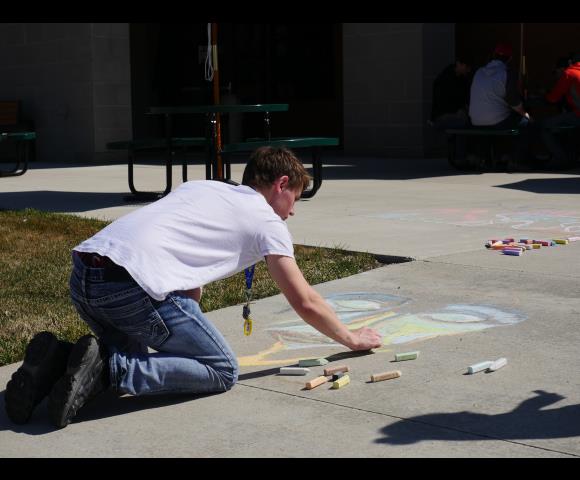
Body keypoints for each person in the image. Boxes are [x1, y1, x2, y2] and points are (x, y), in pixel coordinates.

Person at [5, 146, 383, 428]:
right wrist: (351, 339)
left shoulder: (205, 188)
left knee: (130, 356)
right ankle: (110, 368)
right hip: (131, 287)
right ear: (281, 184)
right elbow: (304, 299)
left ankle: (54, 362)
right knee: (221, 370)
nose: (292, 211)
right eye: (295, 198)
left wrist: (186, 297)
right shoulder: (267, 222)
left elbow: (178, 243)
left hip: (86, 275)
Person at [468, 42, 533, 168]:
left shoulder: (479, 72)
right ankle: (516, 160)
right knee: (526, 124)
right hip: (498, 121)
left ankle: (491, 158)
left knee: (500, 120)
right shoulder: (507, 72)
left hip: (475, 120)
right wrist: (526, 114)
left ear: (493, 56)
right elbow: (513, 101)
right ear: (509, 58)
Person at [540, 52, 580, 169]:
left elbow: (553, 98)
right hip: (575, 114)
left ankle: (561, 158)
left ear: (568, 63)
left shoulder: (569, 72)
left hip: (578, 114)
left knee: (543, 126)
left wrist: (544, 95)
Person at [429, 57, 473, 130]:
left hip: (449, 115)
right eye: (466, 67)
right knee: (468, 122)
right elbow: (442, 103)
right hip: (442, 116)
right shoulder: (444, 79)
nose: (468, 70)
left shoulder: (462, 80)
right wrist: (460, 109)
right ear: (458, 64)